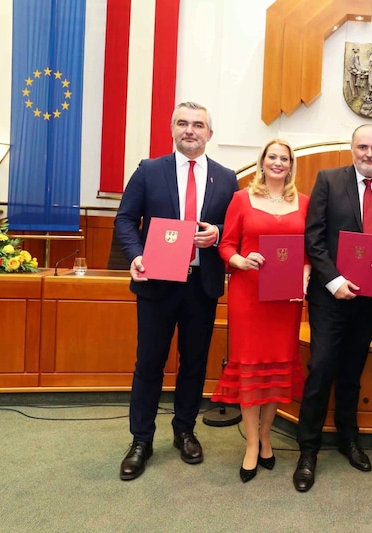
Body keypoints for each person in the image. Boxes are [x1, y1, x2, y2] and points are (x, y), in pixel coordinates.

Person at [114, 101, 238, 481]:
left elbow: (232, 230)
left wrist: (216, 233)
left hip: (201, 287)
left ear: (209, 134)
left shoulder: (227, 177)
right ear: (172, 129)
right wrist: (135, 255)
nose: (190, 130)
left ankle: (184, 430)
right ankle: (141, 440)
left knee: (194, 364)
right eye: (183, 123)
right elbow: (124, 219)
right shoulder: (149, 170)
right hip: (156, 285)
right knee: (149, 364)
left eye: (198, 125)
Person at [293, 124, 372, 492]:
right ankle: (307, 450)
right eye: (363, 146)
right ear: (352, 148)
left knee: (352, 370)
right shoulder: (328, 180)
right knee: (322, 366)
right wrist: (333, 281)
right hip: (331, 296)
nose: (369, 153)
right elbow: (313, 236)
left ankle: (348, 438)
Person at [211, 139, 309, 483]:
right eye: (273, 157)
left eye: (285, 157)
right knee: (251, 370)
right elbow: (226, 245)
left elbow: (309, 254)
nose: (278, 163)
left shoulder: (305, 202)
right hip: (248, 296)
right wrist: (241, 260)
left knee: (276, 371)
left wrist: (304, 280)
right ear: (262, 162)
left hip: (285, 302)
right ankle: (251, 444)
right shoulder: (241, 199)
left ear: (291, 164)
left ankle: (267, 436)